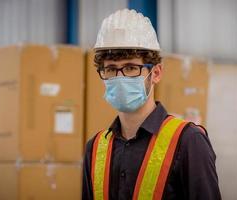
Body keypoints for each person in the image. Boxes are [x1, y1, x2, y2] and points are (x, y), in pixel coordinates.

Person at [82, 9, 221, 200]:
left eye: (131, 68)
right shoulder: (95, 148)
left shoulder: (188, 141)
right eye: (111, 69)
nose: (119, 77)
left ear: (156, 73)